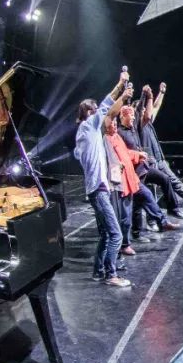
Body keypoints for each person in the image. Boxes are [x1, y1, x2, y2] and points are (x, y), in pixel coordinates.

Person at [75, 69, 132, 287]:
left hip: (96, 190)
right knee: (116, 235)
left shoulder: (85, 134)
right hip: (99, 191)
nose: (100, 112)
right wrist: (120, 87)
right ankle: (111, 274)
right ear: (90, 112)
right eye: (95, 109)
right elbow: (108, 106)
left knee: (105, 235)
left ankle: (98, 271)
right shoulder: (88, 125)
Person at [105, 113, 179, 256]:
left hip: (132, 178)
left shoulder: (117, 136)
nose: (114, 125)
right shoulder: (107, 139)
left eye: (114, 123)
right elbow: (111, 159)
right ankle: (124, 244)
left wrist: (138, 155)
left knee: (147, 195)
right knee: (126, 216)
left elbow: (125, 152)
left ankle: (162, 222)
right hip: (121, 182)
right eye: (111, 123)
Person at [138, 83, 183, 210]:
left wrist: (161, 93)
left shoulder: (149, 122)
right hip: (149, 162)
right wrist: (147, 96)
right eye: (143, 109)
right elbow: (147, 112)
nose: (147, 110)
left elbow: (156, 106)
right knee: (151, 190)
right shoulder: (138, 125)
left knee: (174, 181)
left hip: (159, 159)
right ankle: (153, 216)